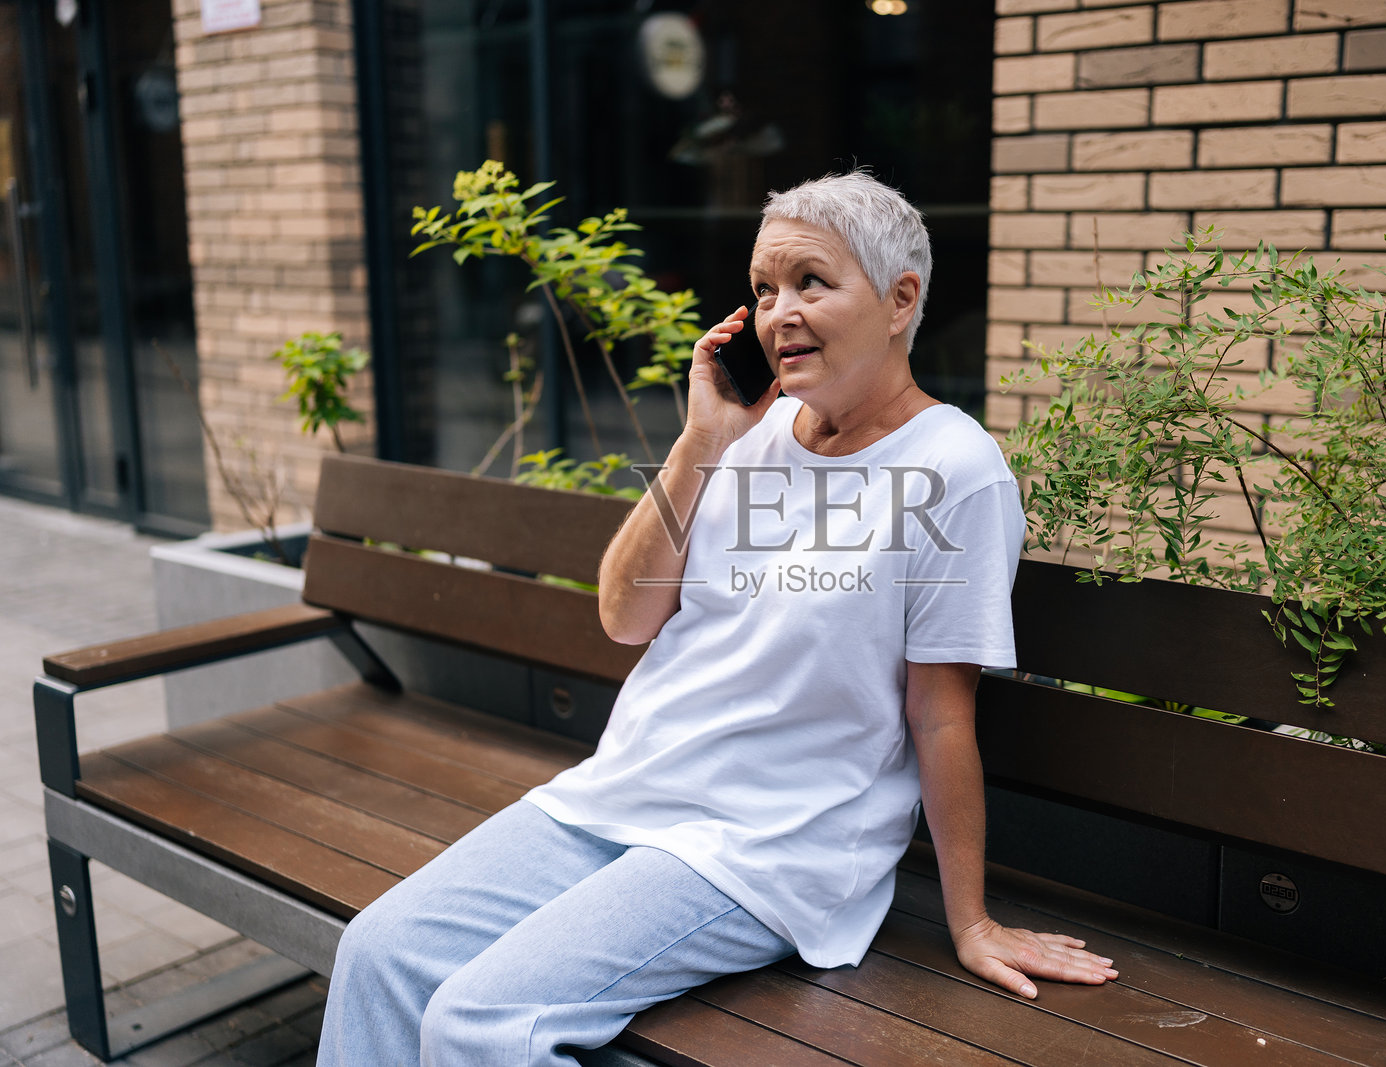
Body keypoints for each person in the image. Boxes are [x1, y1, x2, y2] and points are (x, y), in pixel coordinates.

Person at [316, 170, 1116, 1067]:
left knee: (479, 1018)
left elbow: (940, 713)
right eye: (764, 289)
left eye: (811, 281)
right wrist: (701, 439)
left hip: (767, 843)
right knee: (378, 952)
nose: (780, 313)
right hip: (625, 793)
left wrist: (970, 920)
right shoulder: (746, 434)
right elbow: (624, 617)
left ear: (901, 300)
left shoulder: (956, 469)